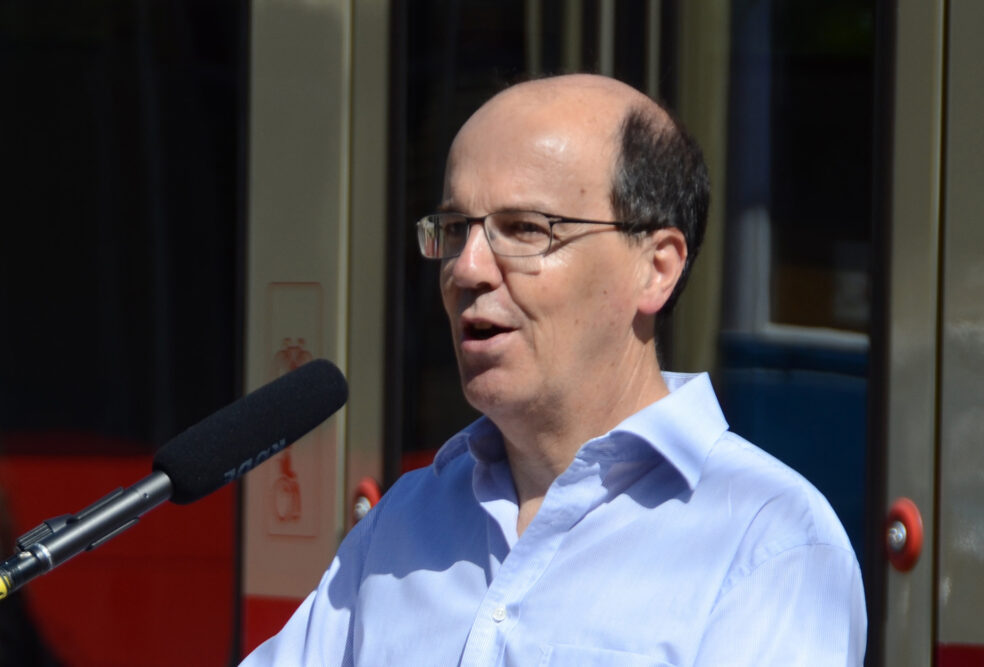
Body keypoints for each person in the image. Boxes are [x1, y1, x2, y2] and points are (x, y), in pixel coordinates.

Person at [242, 74, 866, 666]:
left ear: (657, 268)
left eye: (524, 229)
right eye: (455, 230)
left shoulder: (768, 538)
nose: (467, 269)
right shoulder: (404, 522)